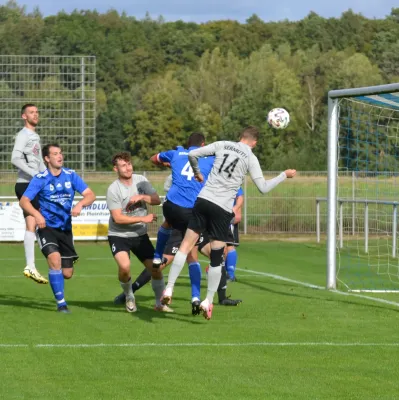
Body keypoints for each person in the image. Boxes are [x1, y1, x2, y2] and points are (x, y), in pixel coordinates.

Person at [161, 126, 296, 320]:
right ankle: (208, 301)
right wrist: (284, 175)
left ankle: (169, 289)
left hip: (203, 200)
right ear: (254, 143)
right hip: (222, 209)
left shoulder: (222, 144)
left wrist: (198, 173)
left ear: (240, 136)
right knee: (217, 257)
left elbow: (194, 154)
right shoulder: (250, 157)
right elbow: (263, 188)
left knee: (185, 246)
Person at [19, 144, 96, 313]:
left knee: (67, 273)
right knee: (54, 260)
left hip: (65, 229)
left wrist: (81, 204)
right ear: (47, 159)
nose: (59, 156)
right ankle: (61, 303)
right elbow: (24, 201)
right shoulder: (40, 178)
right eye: (55, 154)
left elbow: (90, 195)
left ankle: (57, 282)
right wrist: (37, 215)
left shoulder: (71, 175)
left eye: (60, 153)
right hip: (46, 227)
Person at [149, 132, 215, 314]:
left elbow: (153, 158)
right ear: (203, 144)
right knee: (191, 253)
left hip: (171, 207)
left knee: (167, 225)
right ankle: (195, 296)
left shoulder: (175, 153)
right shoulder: (209, 159)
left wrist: (166, 162)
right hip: (192, 212)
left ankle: (156, 256)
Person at [106, 151, 171, 313]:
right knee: (125, 267)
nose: (128, 168)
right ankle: (129, 296)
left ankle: (159, 304)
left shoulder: (141, 181)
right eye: (123, 165)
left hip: (140, 236)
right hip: (119, 235)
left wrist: (141, 197)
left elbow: (156, 200)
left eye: (129, 164)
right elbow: (118, 218)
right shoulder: (113, 189)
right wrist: (143, 219)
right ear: (116, 169)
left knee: (155, 268)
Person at [11, 103, 47, 284]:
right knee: (41, 220)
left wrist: (47, 177)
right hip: (26, 185)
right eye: (31, 112)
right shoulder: (23, 135)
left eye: (37, 112)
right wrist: (35, 175)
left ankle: (31, 266)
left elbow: (38, 161)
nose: (35, 115)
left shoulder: (34, 136)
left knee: (33, 224)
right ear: (24, 116)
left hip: (33, 185)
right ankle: (34, 263)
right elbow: (15, 158)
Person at [225, 187, 244, 282]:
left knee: (229, 245)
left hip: (229, 216)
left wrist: (237, 211)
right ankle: (225, 272)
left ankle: (230, 274)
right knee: (222, 245)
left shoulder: (233, 179)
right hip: (219, 215)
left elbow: (239, 196)